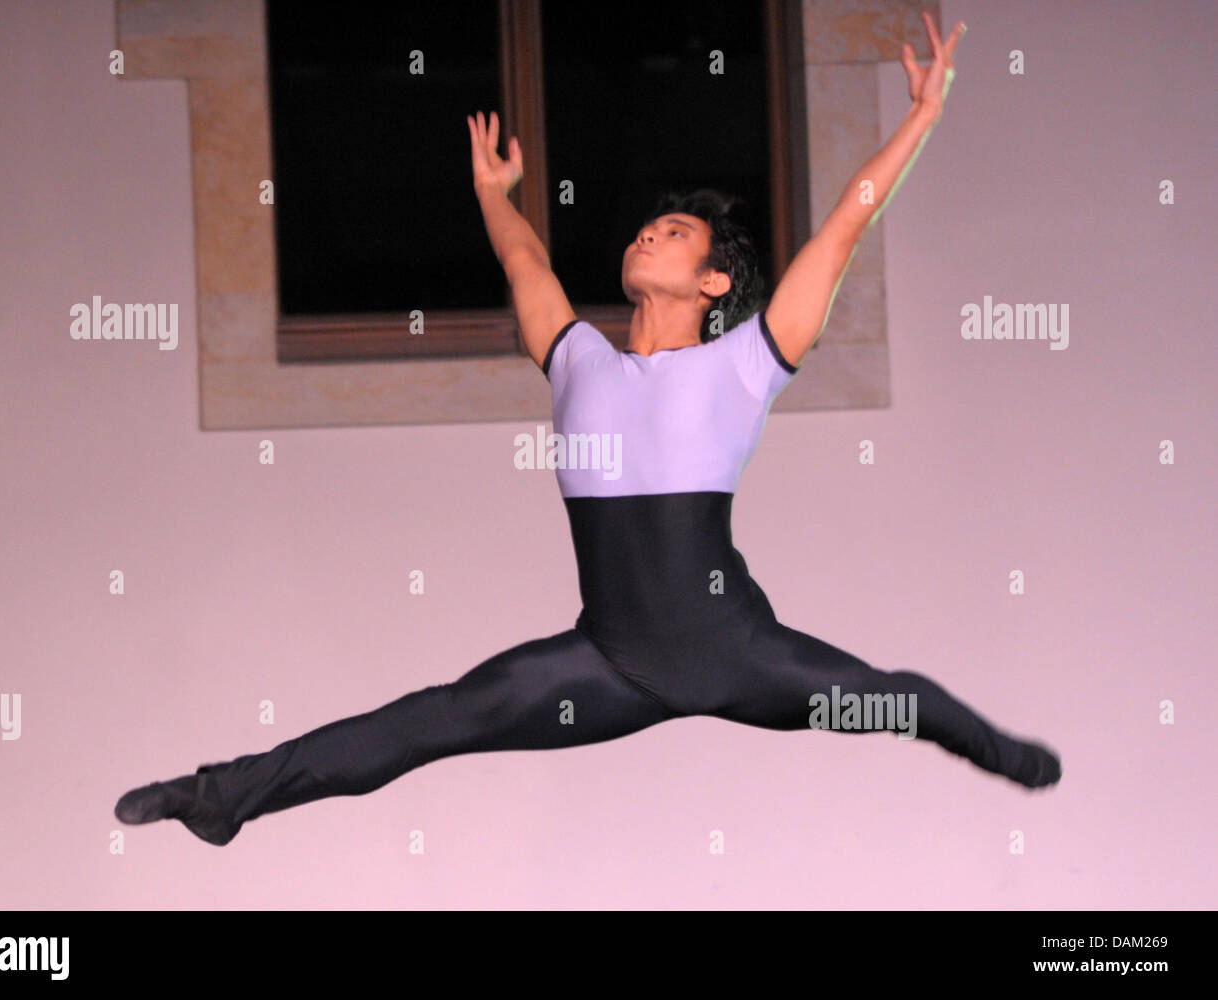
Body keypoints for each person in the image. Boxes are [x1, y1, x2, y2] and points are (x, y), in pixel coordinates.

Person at [116, 13, 1057, 847]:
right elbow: (526, 260)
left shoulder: (747, 361)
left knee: (901, 701)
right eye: (650, 229)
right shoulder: (578, 362)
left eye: (677, 235)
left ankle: (1009, 756)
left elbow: (843, 227)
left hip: (741, 653)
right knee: (427, 721)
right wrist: (495, 194)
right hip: (608, 662)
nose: (652, 235)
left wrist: (923, 117)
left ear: (715, 284)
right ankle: (221, 795)